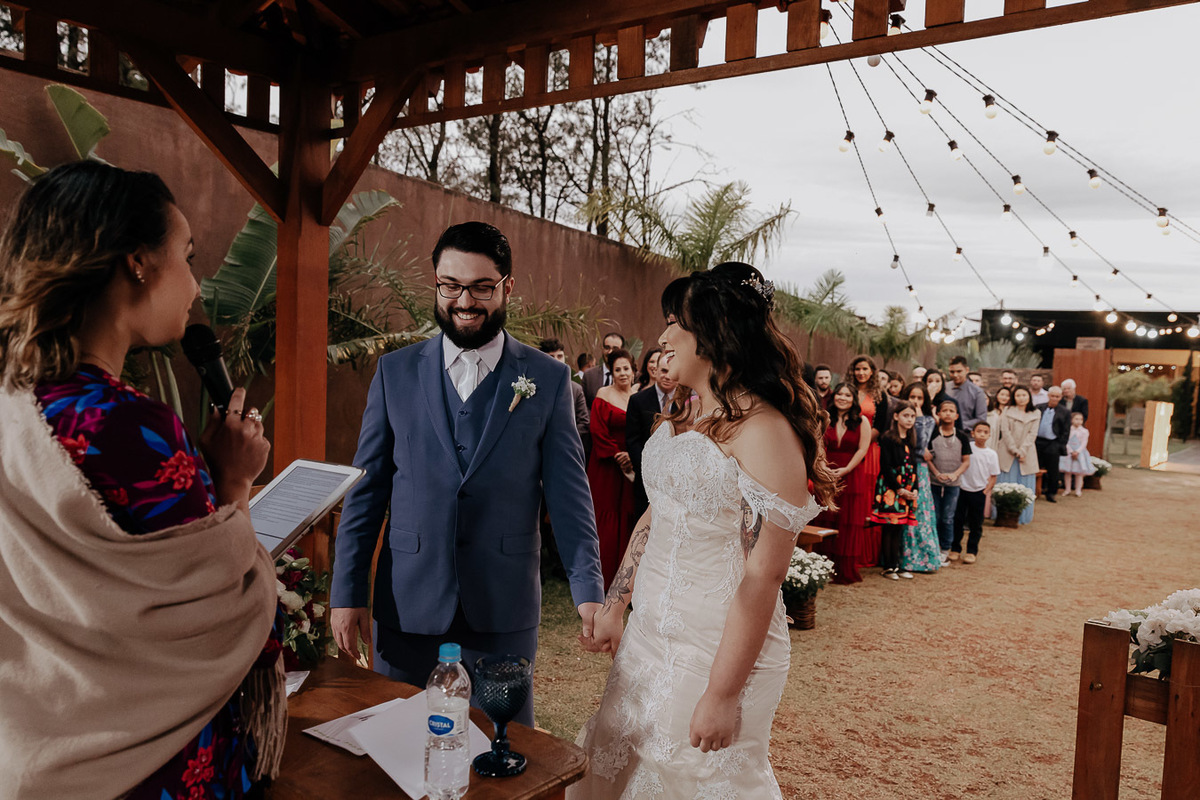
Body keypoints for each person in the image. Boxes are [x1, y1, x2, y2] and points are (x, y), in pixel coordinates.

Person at [0, 162, 282, 798]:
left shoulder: (14, 409)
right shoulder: (129, 426)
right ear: (138, 262)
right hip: (150, 767)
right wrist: (234, 484)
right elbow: (230, 614)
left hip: (38, 752)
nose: (195, 284)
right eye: (187, 256)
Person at [573, 262, 833, 798]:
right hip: (649, 632)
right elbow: (659, 512)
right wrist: (616, 604)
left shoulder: (765, 431)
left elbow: (763, 575)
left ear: (717, 333)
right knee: (620, 759)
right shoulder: (684, 413)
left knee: (689, 778)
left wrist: (722, 693)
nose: (664, 337)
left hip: (714, 646)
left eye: (676, 323)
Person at [330, 221, 604, 727]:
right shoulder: (394, 372)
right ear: (436, 283)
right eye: (451, 285)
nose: (464, 301)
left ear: (507, 287)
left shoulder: (548, 379)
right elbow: (366, 494)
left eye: (481, 287)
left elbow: (569, 497)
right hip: (407, 604)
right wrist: (347, 594)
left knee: (501, 747)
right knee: (399, 743)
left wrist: (588, 589)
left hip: (503, 607)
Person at [588, 348, 640, 589]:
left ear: (633, 370)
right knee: (606, 517)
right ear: (612, 372)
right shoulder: (603, 394)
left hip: (631, 467)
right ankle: (603, 578)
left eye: (626, 368)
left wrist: (632, 456)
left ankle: (627, 579)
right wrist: (617, 455)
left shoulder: (638, 397)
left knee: (629, 515)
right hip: (607, 467)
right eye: (617, 369)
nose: (622, 373)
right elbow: (597, 429)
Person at [814, 382, 873, 584]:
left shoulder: (862, 421)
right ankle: (820, 566)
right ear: (834, 396)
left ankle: (842, 568)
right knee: (824, 517)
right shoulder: (824, 418)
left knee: (847, 520)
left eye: (848, 395)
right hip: (826, 472)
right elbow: (818, 444)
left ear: (853, 399)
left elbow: (863, 449)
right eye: (839, 394)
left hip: (851, 474)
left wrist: (846, 469)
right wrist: (823, 467)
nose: (843, 398)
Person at [870, 400, 920, 580]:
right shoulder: (887, 438)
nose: (910, 419)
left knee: (899, 528)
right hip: (891, 490)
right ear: (896, 416)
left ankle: (897, 565)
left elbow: (914, 466)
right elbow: (886, 467)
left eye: (912, 416)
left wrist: (915, 489)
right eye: (906, 415)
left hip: (907, 489)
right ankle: (888, 567)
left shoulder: (911, 439)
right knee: (889, 528)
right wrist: (899, 489)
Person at [626, 351, 679, 518]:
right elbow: (632, 440)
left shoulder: (687, 403)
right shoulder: (638, 400)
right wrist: (647, 469)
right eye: (663, 371)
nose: (667, 376)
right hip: (645, 480)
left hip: (677, 480)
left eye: (671, 372)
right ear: (655, 371)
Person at [897, 382, 941, 575]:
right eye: (912, 397)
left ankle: (921, 558)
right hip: (902, 468)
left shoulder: (928, 420)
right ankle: (898, 557)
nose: (915, 401)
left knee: (919, 512)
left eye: (919, 398)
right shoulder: (897, 417)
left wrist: (920, 414)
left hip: (920, 471)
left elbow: (921, 444)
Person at [848, 354, 885, 568]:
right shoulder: (847, 391)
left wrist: (861, 441)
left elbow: (881, 425)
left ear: (872, 371)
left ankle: (865, 552)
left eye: (865, 369)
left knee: (867, 495)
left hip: (869, 451)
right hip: (846, 446)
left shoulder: (880, 396)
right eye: (858, 369)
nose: (861, 373)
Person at [928, 399, 971, 563]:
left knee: (948, 517)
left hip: (953, 484)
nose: (948, 413)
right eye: (944, 410)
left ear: (956, 416)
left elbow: (966, 461)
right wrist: (936, 473)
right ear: (938, 414)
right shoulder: (932, 434)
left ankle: (945, 548)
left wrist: (955, 474)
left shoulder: (962, 436)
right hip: (934, 482)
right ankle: (933, 547)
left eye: (951, 411)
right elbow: (927, 458)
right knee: (935, 515)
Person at [952, 422, 1001, 564]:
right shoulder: (967, 448)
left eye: (985, 432)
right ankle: (955, 549)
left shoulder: (991, 454)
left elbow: (993, 476)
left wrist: (986, 490)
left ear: (989, 435)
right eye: (979, 431)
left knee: (976, 523)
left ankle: (971, 551)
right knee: (958, 520)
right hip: (962, 489)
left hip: (979, 491)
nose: (982, 435)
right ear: (973, 433)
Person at [996, 386, 1040, 525]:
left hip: (1026, 453)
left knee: (1025, 483)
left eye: (1024, 395)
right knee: (1005, 482)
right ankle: (1001, 514)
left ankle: (1023, 516)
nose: (1021, 398)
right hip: (1007, 451)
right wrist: (1014, 449)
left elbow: (1032, 434)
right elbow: (1005, 431)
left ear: (1029, 397)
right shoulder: (1007, 410)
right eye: (1018, 395)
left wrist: (1022, 450)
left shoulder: (1036, 412)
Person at [540, 337, 589, 447]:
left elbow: (583, 423)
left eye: (560, 356)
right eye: (551, 357)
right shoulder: (533, 387)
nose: (557, 360)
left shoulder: (576, 389)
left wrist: (566, 440)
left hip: (568, 446)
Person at [1035, 386, 1072, 504]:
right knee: (1036, 467)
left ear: (1060, 397)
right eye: (1052, 396)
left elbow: (1066, 430)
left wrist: (1060, 444)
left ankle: (1051, 493)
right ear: (1048, 395)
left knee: (1052, 470)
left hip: (1053, 442)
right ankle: (1035, 490)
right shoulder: (1038, 408)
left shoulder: (1065, 412)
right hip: (1037, 441)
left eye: (1057, 396)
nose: (1054, 398)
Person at [582, 330, 626, 408]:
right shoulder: (589, 375)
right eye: (607, 348)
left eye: (615, 348)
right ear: (602, 349)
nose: (610, 352)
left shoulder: (629, 377)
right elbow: (582, 406)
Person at [946, 355, 987, 432]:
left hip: (967, 435)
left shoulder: (977, 392)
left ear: (967, 370)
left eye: (959, 371)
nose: (955, 375)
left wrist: (958, 425)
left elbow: (981, 419)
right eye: (952, 372)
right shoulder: (945, 388)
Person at [1060, 411, 1096, 495]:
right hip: (1069, 452)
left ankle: (1078, 490)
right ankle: (1067, 489)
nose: (1079, 421)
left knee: (1079, 473)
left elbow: (1084, 442)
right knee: (1067, 472)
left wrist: (1077, 451)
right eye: (1076, 419)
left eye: (1081, 419)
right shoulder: (1068, 429)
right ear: (1071, 420)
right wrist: (1071, 451)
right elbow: (1066, 441)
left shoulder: (1084, 431)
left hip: (1080, 453)